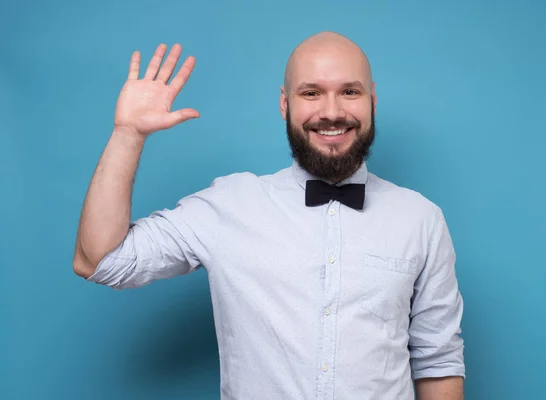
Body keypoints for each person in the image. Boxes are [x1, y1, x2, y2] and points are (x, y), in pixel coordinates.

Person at [73, 31, 465, 400]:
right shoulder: (228, 205)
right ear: (285, 103)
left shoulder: (420, 219)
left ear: (372, 100)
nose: (332, 112)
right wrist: (128, 134)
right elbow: (100, 260)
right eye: (311, 93)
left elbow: (438, 360)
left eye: (349, 92)